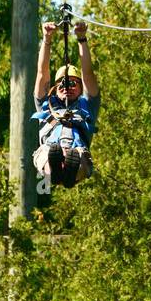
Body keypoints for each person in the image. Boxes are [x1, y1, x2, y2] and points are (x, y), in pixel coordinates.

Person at [31, 19, 100, 189]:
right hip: (49, 150)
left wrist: (82, 39)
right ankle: (54, 172)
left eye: (72, 83)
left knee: (78, 157)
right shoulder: (46, 104)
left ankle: (69, 172)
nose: (66, 88)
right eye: (61, 85)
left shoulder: (87, 104)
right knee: (48, 153)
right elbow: (42, 73)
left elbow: (88, 73)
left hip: (78, 152)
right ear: (54, 89)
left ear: (81, 87)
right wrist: (47, 39)